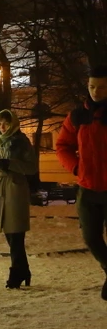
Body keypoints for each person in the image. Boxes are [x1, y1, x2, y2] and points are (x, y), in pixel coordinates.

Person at [56, 64, 107, 301]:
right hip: (87, 188)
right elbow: (62, 146)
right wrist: (76, 167)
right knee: (90, 237)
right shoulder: (77, 116)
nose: (96, 91)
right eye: (92, 86)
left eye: (102, 87)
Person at [0, 109, 37, 289]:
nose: (2, 127)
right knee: (9, 232)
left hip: (15, 187)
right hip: (1, 188)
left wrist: (8, 164)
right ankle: (23, 270)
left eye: (6, 124)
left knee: (16, 232)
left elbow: (31, 167)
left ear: (13, 124)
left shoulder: (21, 142)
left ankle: (17, 271)